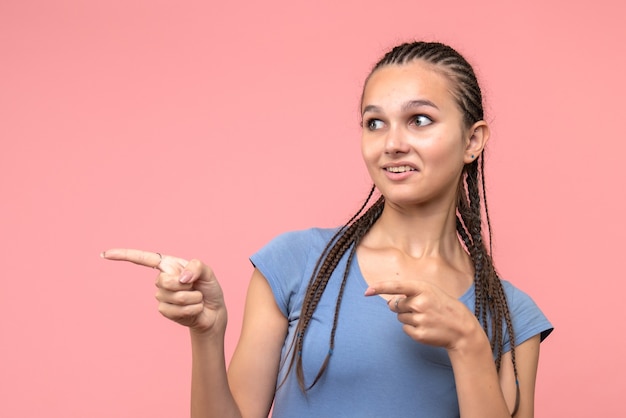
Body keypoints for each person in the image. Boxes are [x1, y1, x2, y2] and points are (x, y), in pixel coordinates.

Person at [102, 41, 552, 418]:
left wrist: (467, 342)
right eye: (375, 123)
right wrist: (206, 335)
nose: (392, 143)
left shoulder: (511, 316)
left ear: (472, 141)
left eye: (419, 120)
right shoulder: (297, 263)